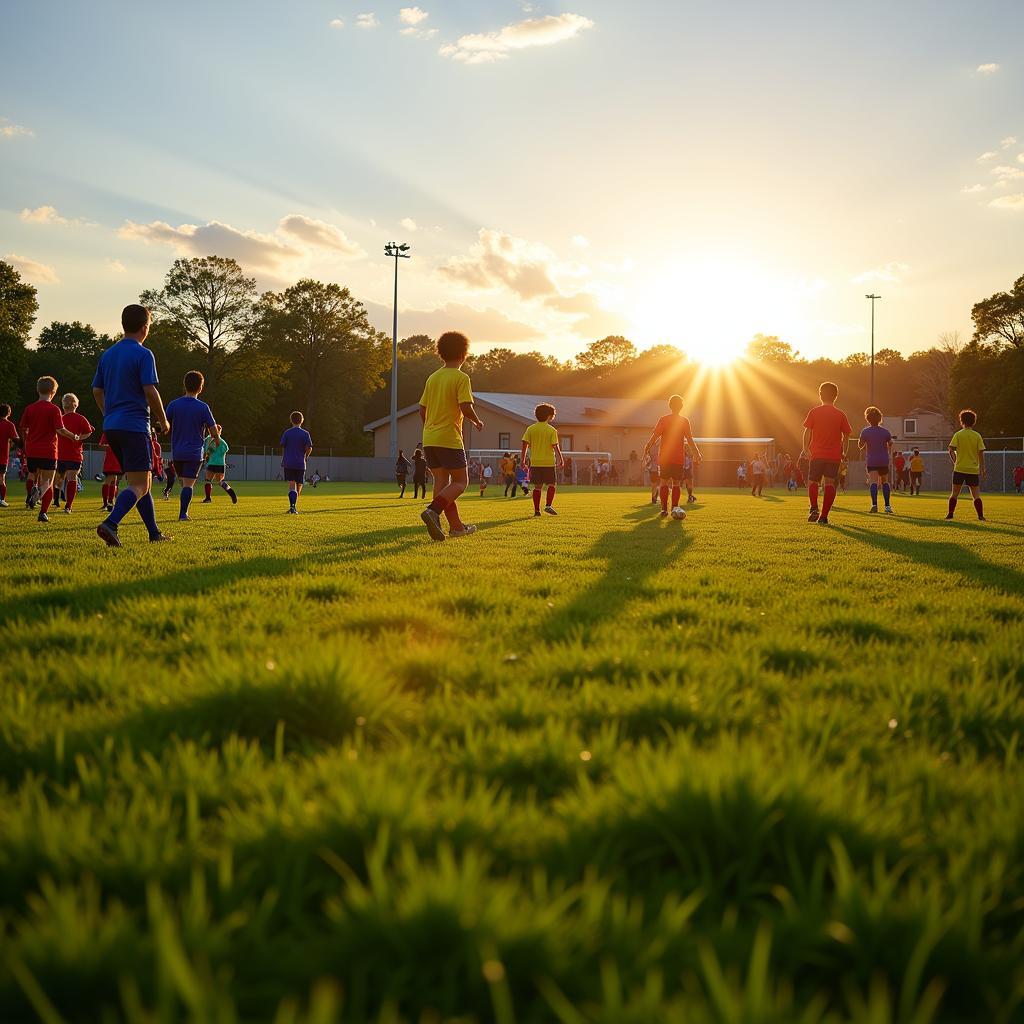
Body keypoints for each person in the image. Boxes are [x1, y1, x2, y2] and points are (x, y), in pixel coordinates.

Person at [92, 305, 172, 546]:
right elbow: (150, 389)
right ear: (144, 327)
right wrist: (163, 418)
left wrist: (109, 413)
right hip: (134, 426)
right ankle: (111, 523)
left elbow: (97, 390)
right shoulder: (143, 353)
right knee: (140, 484)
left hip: (113, 426)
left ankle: (154, 533)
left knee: (141, 481)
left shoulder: (108, 354)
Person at [418, 331, 484, 541]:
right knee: (460, 482)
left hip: (430, 439)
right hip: (449, 438)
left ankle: (456, 527)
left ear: (441, 353)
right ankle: (432, 511)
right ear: (464, 353)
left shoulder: (433, 377)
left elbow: (422, 409)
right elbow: (465, 406)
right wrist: (477, 421)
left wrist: (430, 428)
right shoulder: (461, 377)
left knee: (441, 482)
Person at [19, 377, 84, 523]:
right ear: (53, 392)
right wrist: (73, 435)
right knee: (48, 482)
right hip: (49, 451)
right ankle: (42, 512)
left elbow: (23, 427)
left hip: (32, 451)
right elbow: (60, 430)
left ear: (38, 390)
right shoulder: (54, 409)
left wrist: (26, 442)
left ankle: (31, 495)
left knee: (32, 476)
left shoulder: (29, 408)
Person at [165, 370, 219, 522]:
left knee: (184, 483)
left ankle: (183, 511)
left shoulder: (173, 405)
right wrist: (217, 439)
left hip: (177, 453)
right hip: (194, 453)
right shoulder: (203, 407)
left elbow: (164, 426)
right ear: (201, 387)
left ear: (184, 385)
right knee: (188, 485)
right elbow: (213, 430)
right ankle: (183, 514)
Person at [801, 381, 852, 526]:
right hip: (834, 456)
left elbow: (807, 430)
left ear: (820, 395)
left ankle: (814, 508)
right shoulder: (840, 414)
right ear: (836, 396)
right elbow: (847, 435)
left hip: (817, 454)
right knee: (830, 483)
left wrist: (805, 448)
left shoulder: (814, 412)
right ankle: (823, 516)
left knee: (813, 481)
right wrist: (844, 452)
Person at [643, 395, 702, 518]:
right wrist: (697, 453)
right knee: (676, 483)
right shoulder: (684, 421)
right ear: (681, 406)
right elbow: (690, 440)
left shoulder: (663, 419)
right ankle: (675, 507)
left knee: (663, 482)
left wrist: (647, 448)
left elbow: (655, 437)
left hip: (664, 457)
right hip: (678, 458)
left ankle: (664, 510)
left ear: (670, 405)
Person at [521, 403, 565, 517]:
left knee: (537, 487)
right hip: (549, 462)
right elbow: (555, 446)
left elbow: (524, 444)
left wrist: (522, 461)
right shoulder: (552, 430)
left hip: (535, 462)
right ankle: (548, 505)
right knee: (552, 484)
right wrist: (561, 459)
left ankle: (537, 511)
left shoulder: (530, 429)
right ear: (549, 416)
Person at [54, 393, 94, 513]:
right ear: (76, 405)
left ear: (63, 405)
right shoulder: (81, 418)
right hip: (74, 455)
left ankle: (55, 500)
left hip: (59, 454)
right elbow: (89, 432)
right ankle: (68, 506)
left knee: (58, 479)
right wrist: (79, 438)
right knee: (72, 478)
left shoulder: (59, 418)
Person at [945, 409, 986, 521]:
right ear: (974, 421)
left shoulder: (958, 434)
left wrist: (955, 462)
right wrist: (982, 468)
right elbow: (981, 453)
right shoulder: (977, 436)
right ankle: (980, 516)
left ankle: (950, 514)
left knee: (954, 494)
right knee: (976, 495)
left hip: (959, 468)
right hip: (973, 469)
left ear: (961, 421)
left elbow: (950, 449)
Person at [857, 406, 894, 514]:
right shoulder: (885, 432)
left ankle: (874, 505)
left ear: (868, 419)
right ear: (879, 418)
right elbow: (890, 443)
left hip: (872, 460)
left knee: (873, 481)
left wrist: (861, 441)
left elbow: (860, 445)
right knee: (884, 481)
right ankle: (887, 506)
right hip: (883, 459)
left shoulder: (865, 431)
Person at [281, 412, 313, 513]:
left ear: (291, 420)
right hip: (300, 463)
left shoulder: (287, 433)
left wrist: (285, 458)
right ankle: (294, 505)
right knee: (299, 484)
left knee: (291, 485)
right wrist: (305, 457)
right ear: (302, 420)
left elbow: (283, 445)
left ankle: (292, 506)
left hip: (289, 462)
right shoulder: (305, 433)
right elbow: (309, 448)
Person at [202, 426, 236, 504]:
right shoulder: (222, 442)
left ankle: (208, 499)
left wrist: (205, 457)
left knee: (208, 480)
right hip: (220, 464)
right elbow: (223, 453)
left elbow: (207, 452)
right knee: (220, 481)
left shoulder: (208, 440)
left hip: (212, 463)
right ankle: (232, 493)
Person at [0, 403, 20, 508]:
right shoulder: (9, 425)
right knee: (1, 478)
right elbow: (16, 439)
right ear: (9, 413)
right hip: (2, 457)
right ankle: (2, 499)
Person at [98, 432, 123, 511]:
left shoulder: (122, 431)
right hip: (110, 460)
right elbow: (101, 445)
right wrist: (111, 447)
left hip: (118, 460)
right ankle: (107, 503)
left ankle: (110, 502)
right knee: (109, 480)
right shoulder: (107, 432)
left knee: (114, 481)